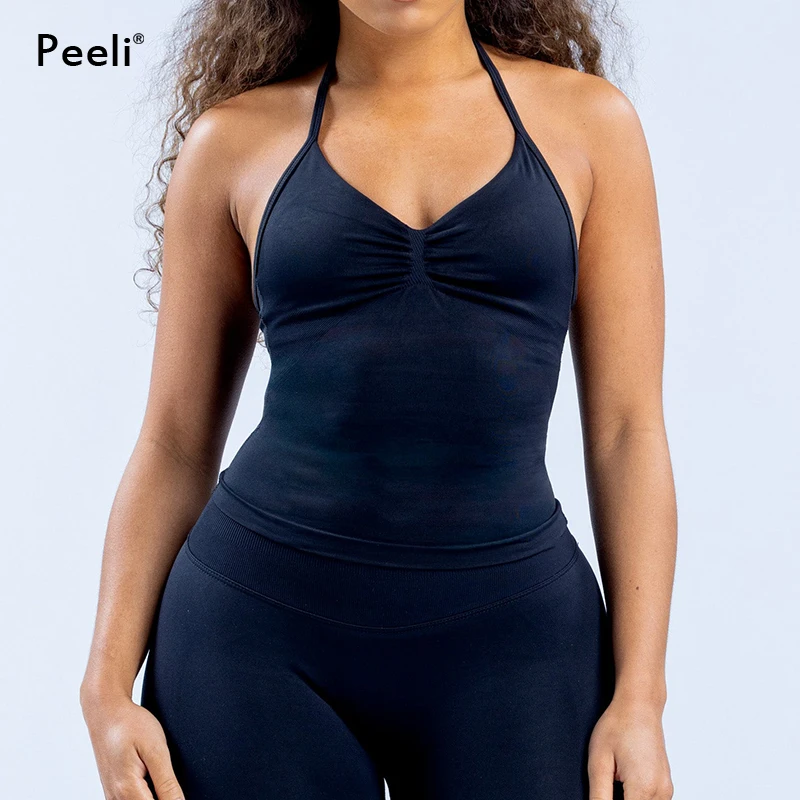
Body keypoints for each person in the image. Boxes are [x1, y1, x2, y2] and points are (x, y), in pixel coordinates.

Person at [80, 2, 676, 799]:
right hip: (254, 637)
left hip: (518, 640)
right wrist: (105, 687)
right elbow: (175, 441)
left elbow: (629, 432)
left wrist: (641, 697)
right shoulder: (234, 141)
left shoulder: (590, 125)